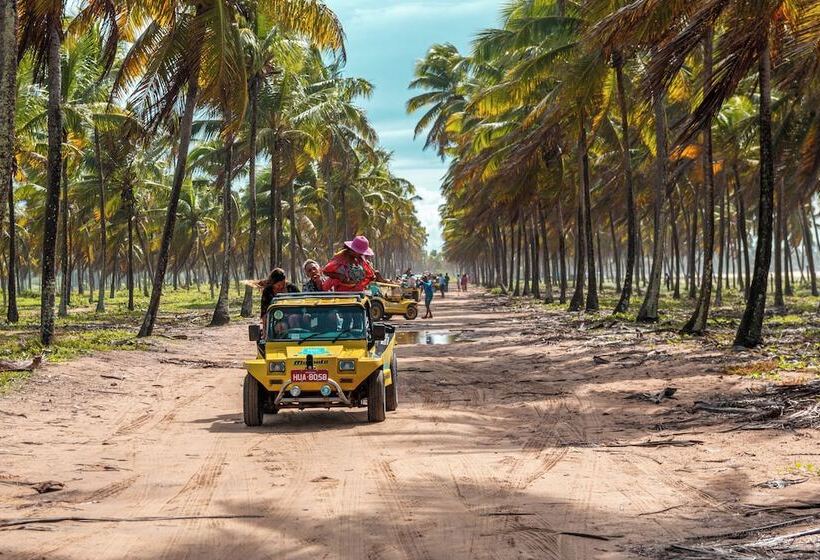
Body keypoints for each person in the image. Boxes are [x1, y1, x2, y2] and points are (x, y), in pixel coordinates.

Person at [255, 268, 299, 333]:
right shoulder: (268, 291)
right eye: (278, 285)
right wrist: (265, 330)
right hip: (276, 318)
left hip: (293, 316)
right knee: (280, 327)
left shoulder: (292, 288)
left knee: (293, 318)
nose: (281, 287)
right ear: (273, 283)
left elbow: (301, 301)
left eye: (283, 284)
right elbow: (264, 313)